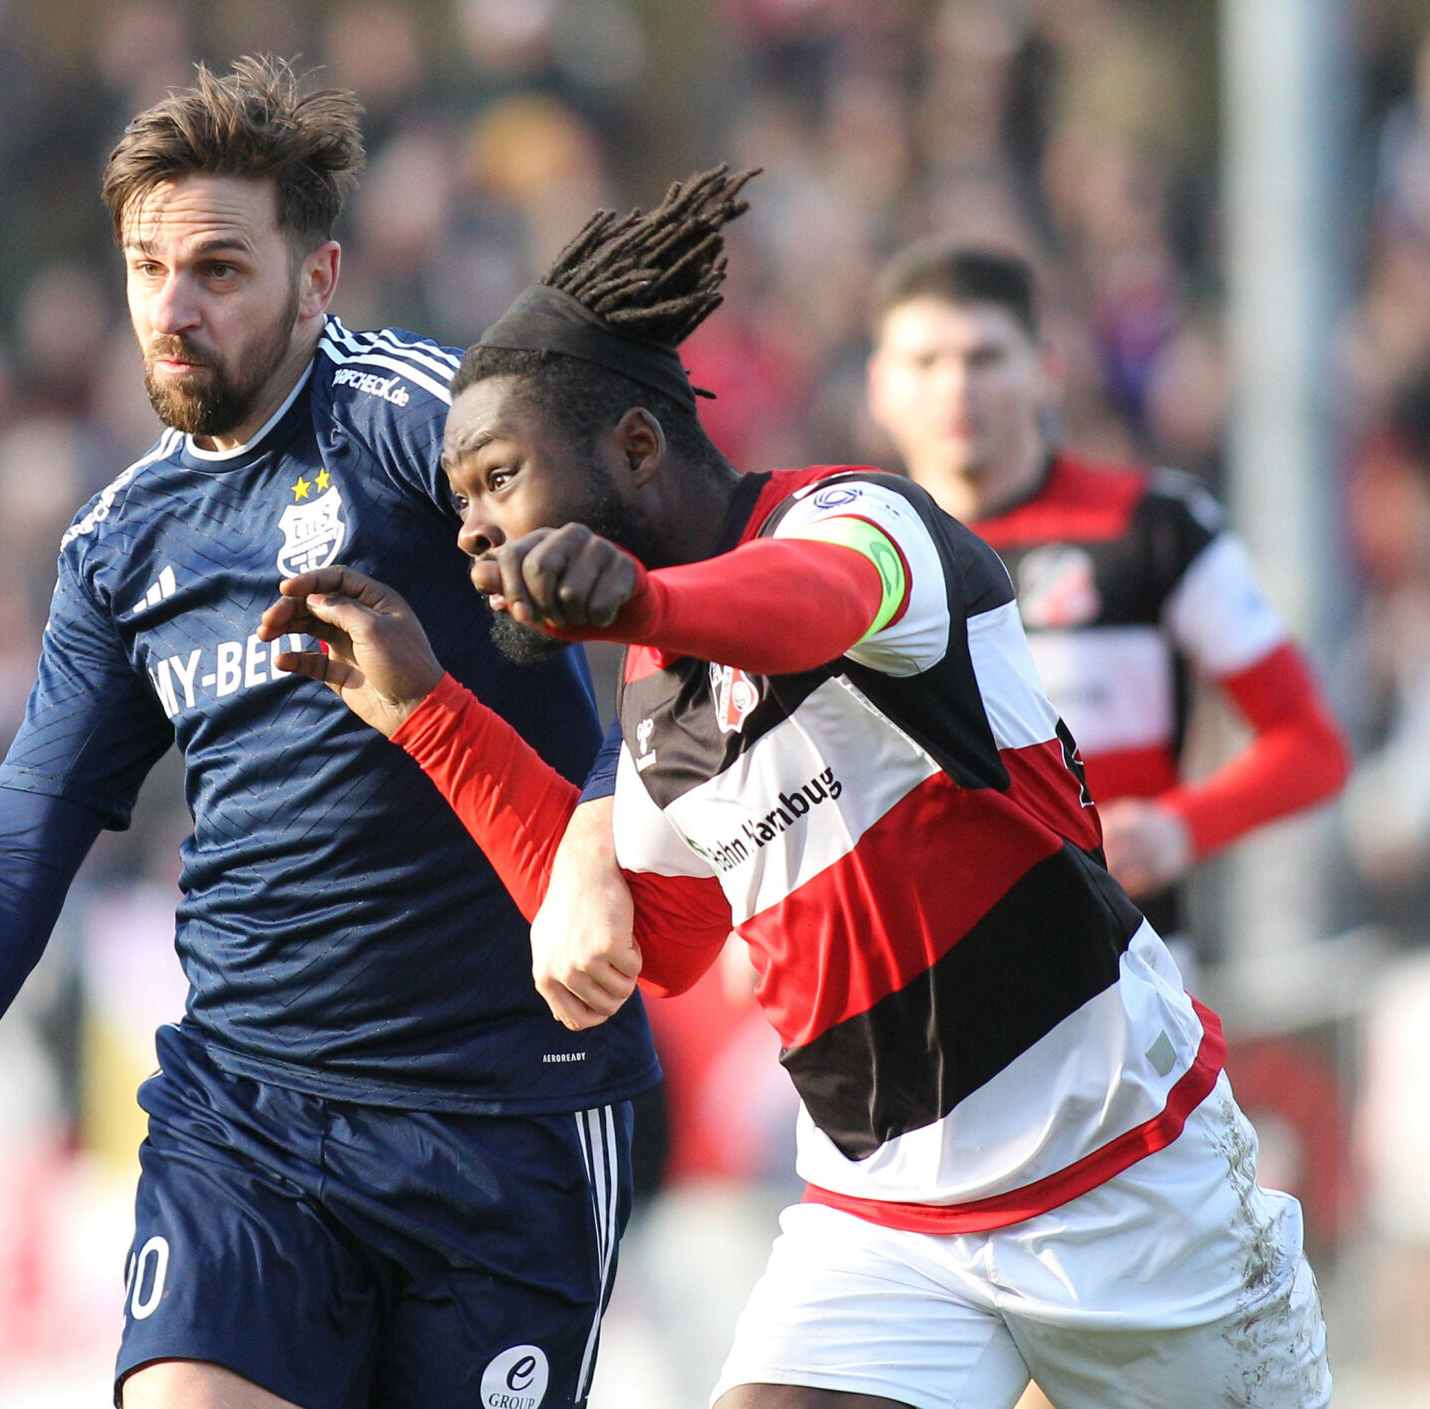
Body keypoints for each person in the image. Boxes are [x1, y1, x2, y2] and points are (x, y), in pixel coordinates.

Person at [261, 167, 1332, 1409]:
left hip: (1128, 1186)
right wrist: (426, 714)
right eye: (461, 503)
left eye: (498, 477)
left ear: (637, 445)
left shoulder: (856, 520)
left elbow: (814, 605)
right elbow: (658, 946)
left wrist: (644, 600)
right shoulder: (655, 697)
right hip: (883, 1226)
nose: (471, 529)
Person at [0, 57, 658, 1409]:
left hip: (504, 1121)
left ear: (318, 278)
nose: (171, 310)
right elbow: (14, 860)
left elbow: (658, 618)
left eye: (220, 271)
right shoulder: (121, 546)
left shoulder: (426, 423)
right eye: (146, 268)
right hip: (249, 1122)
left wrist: (599, 832)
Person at [863, 243, 1349, 967]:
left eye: (986, 356)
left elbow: (1311, 748)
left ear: (1047, 369)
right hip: (933, 998)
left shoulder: (1157, 527)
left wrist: (1177, 828)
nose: (957, 387)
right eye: (926, 362)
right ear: (879, 386)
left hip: (1130, 980)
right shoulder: (850, 561)